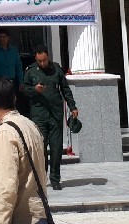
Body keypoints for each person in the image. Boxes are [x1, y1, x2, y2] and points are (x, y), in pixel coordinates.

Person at [0, 76, 48, 224]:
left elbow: (6, 186)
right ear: (14, 99)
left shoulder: (6, 132)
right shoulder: (30, 124)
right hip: (39, 213)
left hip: (24, 217)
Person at [20, 45, 78, 190]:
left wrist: (72, 107)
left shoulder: (57, 69)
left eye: (44, 60)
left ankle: (55, 178)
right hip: (39, 115)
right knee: (40, 148)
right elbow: (25, 90)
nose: (42, 63)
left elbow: (65, 89)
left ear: (48, 57)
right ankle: (41, 178)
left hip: (55, 114)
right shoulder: (31, 71)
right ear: (36, 59)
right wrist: (35, 90)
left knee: (56, 148)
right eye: (39, 61)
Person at [0, 29, 23, 98]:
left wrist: (21, 82)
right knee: (0, 102)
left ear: (8, 37)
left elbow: (18, 67)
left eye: (4, 37)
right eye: (0, 37)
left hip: (12, 81)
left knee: (12, 101)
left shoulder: (14, 50)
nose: (2, 39)